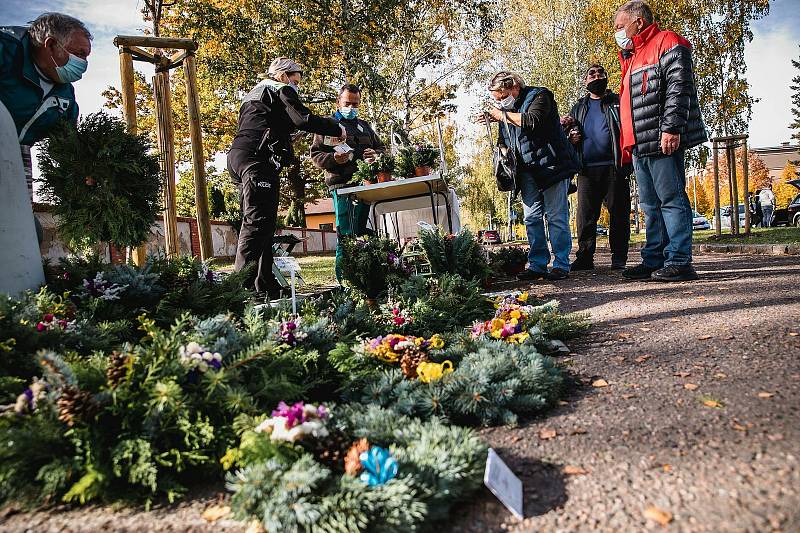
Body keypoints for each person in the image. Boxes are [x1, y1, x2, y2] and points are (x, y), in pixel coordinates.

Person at [228, 57, 345, 299]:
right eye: (295, 79)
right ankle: (240, 290)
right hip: (257, 161)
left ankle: (265, 284)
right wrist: (336, 128)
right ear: (282, 75)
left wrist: (285, 138)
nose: (296, 85)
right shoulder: (280, 88)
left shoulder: (254, 95)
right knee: (257, 222)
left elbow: (264, 124)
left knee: (265, 224)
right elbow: (303, 118)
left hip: (240, 157)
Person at [614, 0, 707, 282]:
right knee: (650, 205)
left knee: (671, 199)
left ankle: (680, 260)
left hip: (660, 136)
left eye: (620, 26)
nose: (617, 33)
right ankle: (654, 258)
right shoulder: (634, 55)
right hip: (640, 142)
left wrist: (672, 128)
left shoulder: (667, 41)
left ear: (638, 22)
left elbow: (680, 87)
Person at [478, 71, 579, 281]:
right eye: (496, 99)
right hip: (526, 172)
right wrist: (504, 155)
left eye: (501, 96)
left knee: (556, 216)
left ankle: (561, 264)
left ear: (513, 87)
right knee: (531, 218)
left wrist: (501, 115)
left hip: (552, 166)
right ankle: (537, 264)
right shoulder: (506, 110)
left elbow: (532, 121)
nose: (499, 102)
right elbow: (503, 139)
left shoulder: (540, 96)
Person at [0, 13, 92, 202]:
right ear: (50, 45)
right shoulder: (5, 50)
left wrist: (86, 172)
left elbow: (66, 145)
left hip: (17, 155)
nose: (84, 63)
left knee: (21, 220)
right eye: (80, 54)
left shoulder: (65, 95)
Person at [310, 84, 386, 283]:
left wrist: (376, 154)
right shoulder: (327, 126)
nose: (351, 107)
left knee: (361, 231)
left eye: (355, 104)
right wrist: (335, 159)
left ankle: (365, 279)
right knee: (345, 235)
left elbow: (382, 148)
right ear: (338, 102)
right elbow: (316, 155)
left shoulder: (365, 126)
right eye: (347, 103)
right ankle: (344, 283)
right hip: (342, 187)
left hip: (366, 187)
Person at [567, 63, 632, 271]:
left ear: (606, 78)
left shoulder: (617, 102)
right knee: (586, 216)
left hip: (614, 166)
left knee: (619, 214)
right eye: (592, 74)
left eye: (600, 73)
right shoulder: (578, 108)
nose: (596, 76)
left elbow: (627, 126)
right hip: (586, 169)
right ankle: (585, 257)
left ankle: (619, 257)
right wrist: (571, 137)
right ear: (586, 81)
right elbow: (568, 135)